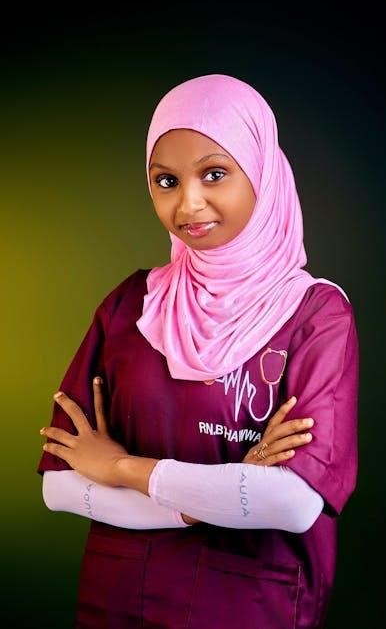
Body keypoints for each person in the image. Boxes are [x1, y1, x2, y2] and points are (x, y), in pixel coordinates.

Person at [37, 73, 359, 628]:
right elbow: (60, 487)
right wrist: (221, 494)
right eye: (166, 181)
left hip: (248, 604)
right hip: (119, 601)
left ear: (261, 169)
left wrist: (119, 467)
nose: (188, 203)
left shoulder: (315, 314)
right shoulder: (132, 304)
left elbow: (292, 501)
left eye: (214, 173)